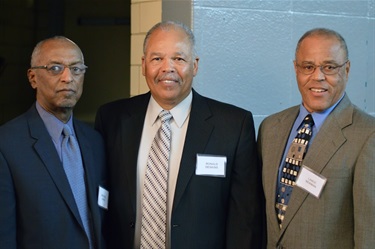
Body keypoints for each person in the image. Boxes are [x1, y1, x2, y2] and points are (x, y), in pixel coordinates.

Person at [95, 21, 264, 249]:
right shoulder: (111, 118)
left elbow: (245, 218)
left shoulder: (234, 126)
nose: (168, 68)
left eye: (179, 58)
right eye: (157, 59)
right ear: (143, 65)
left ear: (194, 65)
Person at [258, 28, 375, 248]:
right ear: (296, 69)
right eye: (308, 67)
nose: (318, 76)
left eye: (329, 67)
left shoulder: (369, 136)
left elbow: (369, 235)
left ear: (347, 70)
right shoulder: (270, 128)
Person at [0, 36, 107, 249]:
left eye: (76, 69)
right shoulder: (6, 144)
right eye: (55, 68)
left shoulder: (94, 141)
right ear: (33, 77)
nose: (68, 78)